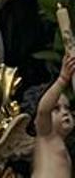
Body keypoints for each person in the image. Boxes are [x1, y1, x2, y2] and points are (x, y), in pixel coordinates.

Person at [32, 50, 75, 178]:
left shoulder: (63, 144)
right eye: (56, 109)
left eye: (67, 108)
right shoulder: (46, 135)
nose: (65, 113)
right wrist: (62, 79)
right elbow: (43, 110)